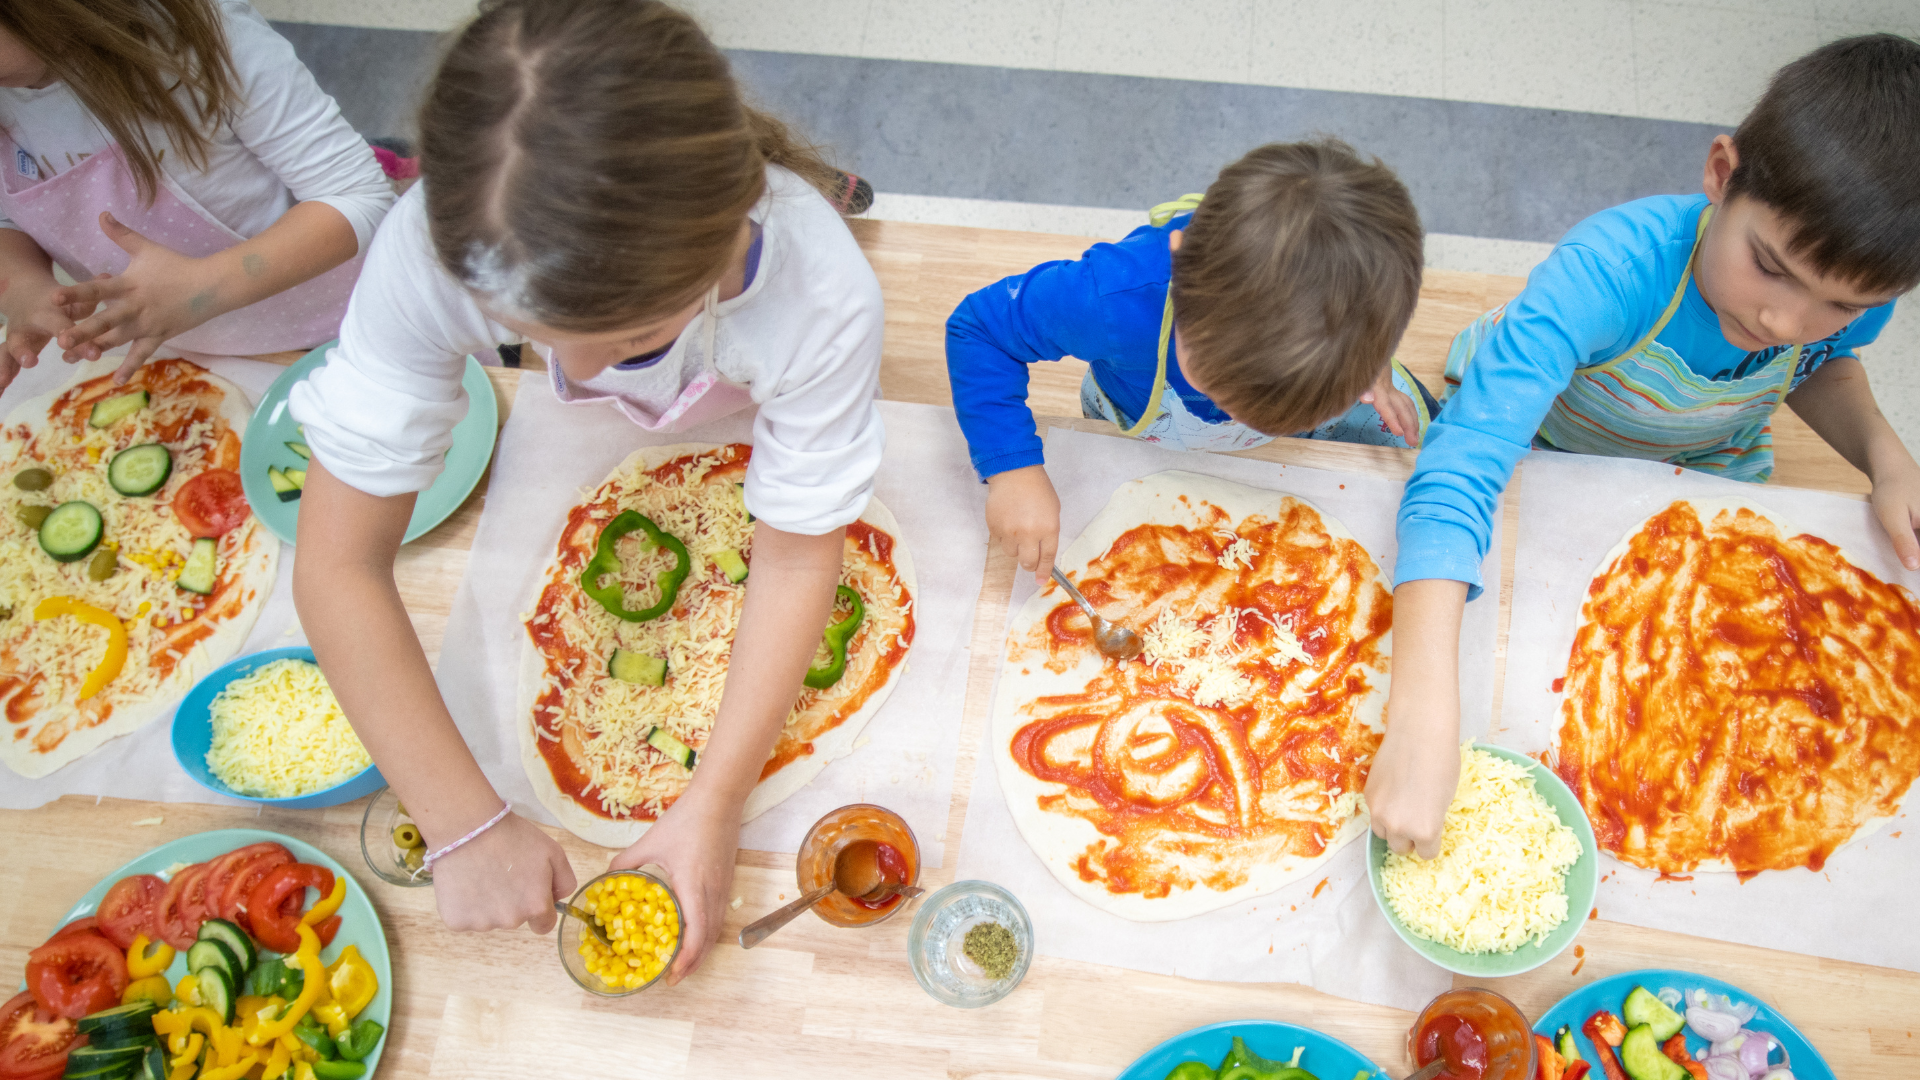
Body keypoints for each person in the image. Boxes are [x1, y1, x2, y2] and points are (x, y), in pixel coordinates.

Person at [287, 0, 884, 983]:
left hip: (750, 412)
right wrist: (463, 822)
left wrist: (713, 801)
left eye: (632, 344)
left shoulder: (819, 291)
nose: (572, 369)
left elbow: (794, 554)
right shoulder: (429, 249)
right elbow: (337, 566)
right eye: (527, 337)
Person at [1369, 34, 1920, 859]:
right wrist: (1421, 714)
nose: (1783, 323)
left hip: (1696, 468)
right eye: (1768, 267)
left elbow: (1820, 366)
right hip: (1542, 443)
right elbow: (1463, 467)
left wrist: (1885, 457)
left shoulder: (1842, 303)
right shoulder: (1609, 274)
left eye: (1837, 304)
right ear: (1722, 173)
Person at [945, 139, 1432, 580]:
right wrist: (1012, 470)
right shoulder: (1109, 300)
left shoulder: (1357, 299)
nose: (1237, 413)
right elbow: (979, 329)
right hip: (1147, 412)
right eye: (1218, 387)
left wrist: (1374, 369)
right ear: (1180, 263)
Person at [0, 0, 393, 390]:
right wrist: (21, 283)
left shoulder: (206, 38)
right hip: (184, 349)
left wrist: (201, 288)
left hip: (338, 326)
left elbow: (357, 197)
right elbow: (8, 216)